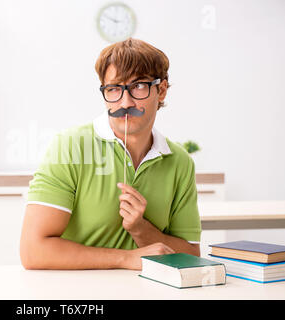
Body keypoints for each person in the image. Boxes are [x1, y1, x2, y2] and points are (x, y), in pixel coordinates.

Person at [20, 38, 201, 270]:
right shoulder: (70, 146)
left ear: (162, 90)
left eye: (138, 86)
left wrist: (141, 229)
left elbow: (191, 256)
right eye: (114, 89)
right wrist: (125, 259)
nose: (125, 102)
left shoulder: (179, 161)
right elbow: (33, 251)